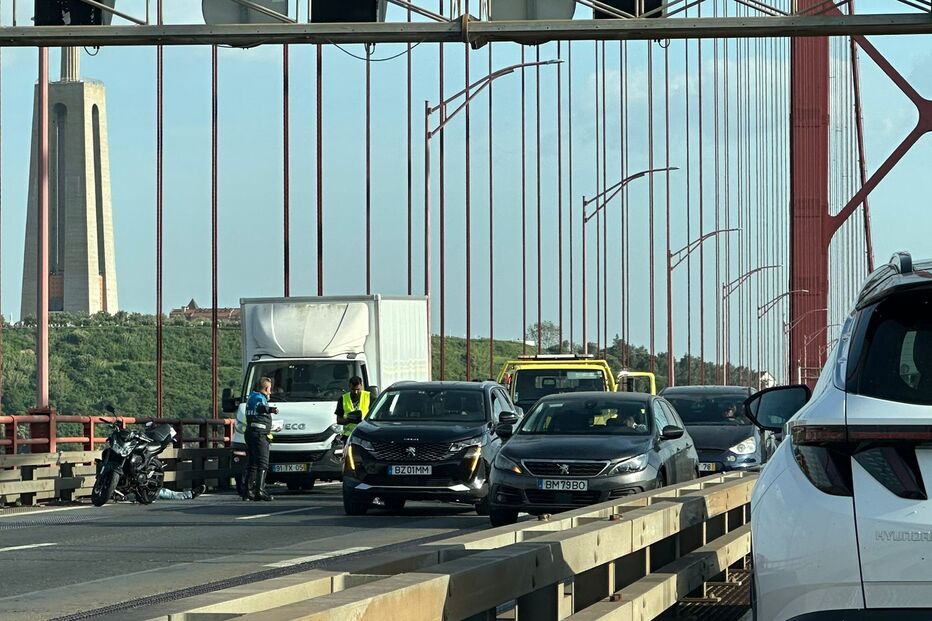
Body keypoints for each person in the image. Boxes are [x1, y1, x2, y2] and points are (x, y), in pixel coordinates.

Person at [245, 376, 278, 501]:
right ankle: (260, 491)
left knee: (253, 463)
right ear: (266, 388)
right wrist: (271, 409)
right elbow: (260, 408)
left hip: (252, 432)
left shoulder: (251, 397)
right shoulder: (259, 398)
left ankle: (248, 491)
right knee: (263, 463)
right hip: (259, 435)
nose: (270, 392)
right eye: (270, 389)